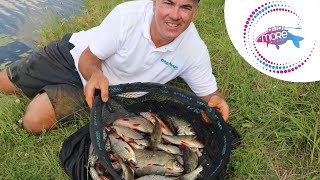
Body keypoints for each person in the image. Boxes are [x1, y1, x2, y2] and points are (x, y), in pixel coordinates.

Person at [0, 0, 229, 135]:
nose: (174, 15)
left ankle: (49, 94)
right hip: (74, 57)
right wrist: (96, 75)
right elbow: (88, 58)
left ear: (195, 11)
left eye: (185, 7)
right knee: (4, 83)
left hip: (106, 92)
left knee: (34, 122)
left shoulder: (194, 49)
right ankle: (33, 83)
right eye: (168, 2)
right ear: (154, 2)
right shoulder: (127, 16)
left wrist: (216, 102)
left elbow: (210, 95)